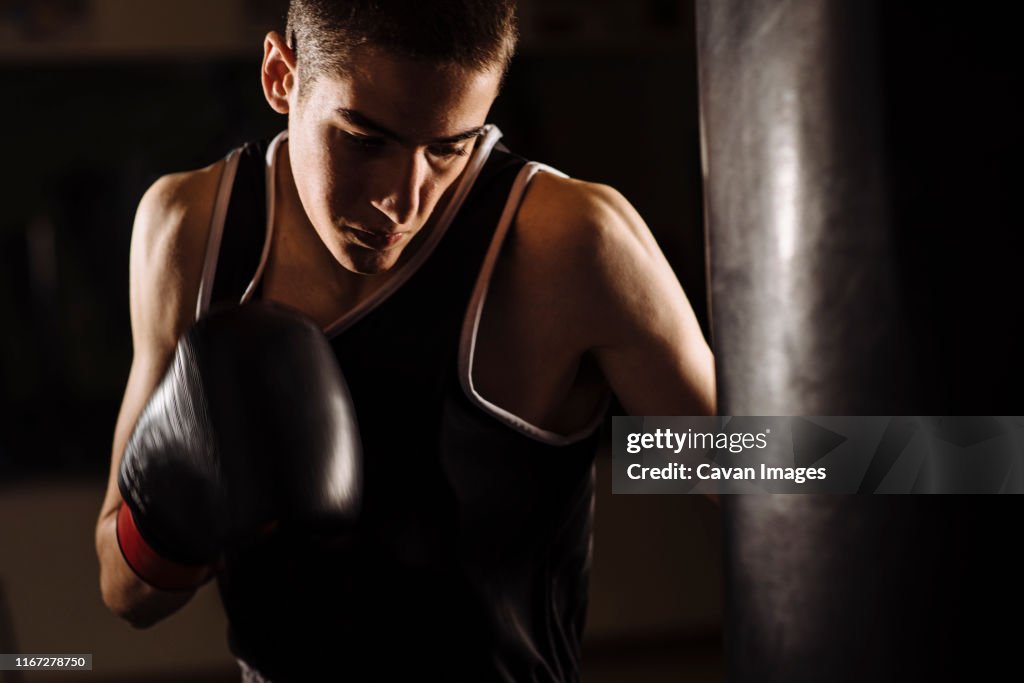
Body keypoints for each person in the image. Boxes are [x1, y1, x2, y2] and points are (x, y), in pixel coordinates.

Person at [94, 1, 716, 680]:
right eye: (365, 140)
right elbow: (124, 590)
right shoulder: (193, 232)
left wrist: (663, 448)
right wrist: (180, 508)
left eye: (449, 147)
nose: (403, 199)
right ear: (280, 76)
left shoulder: (568, 247)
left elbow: (777, 468)